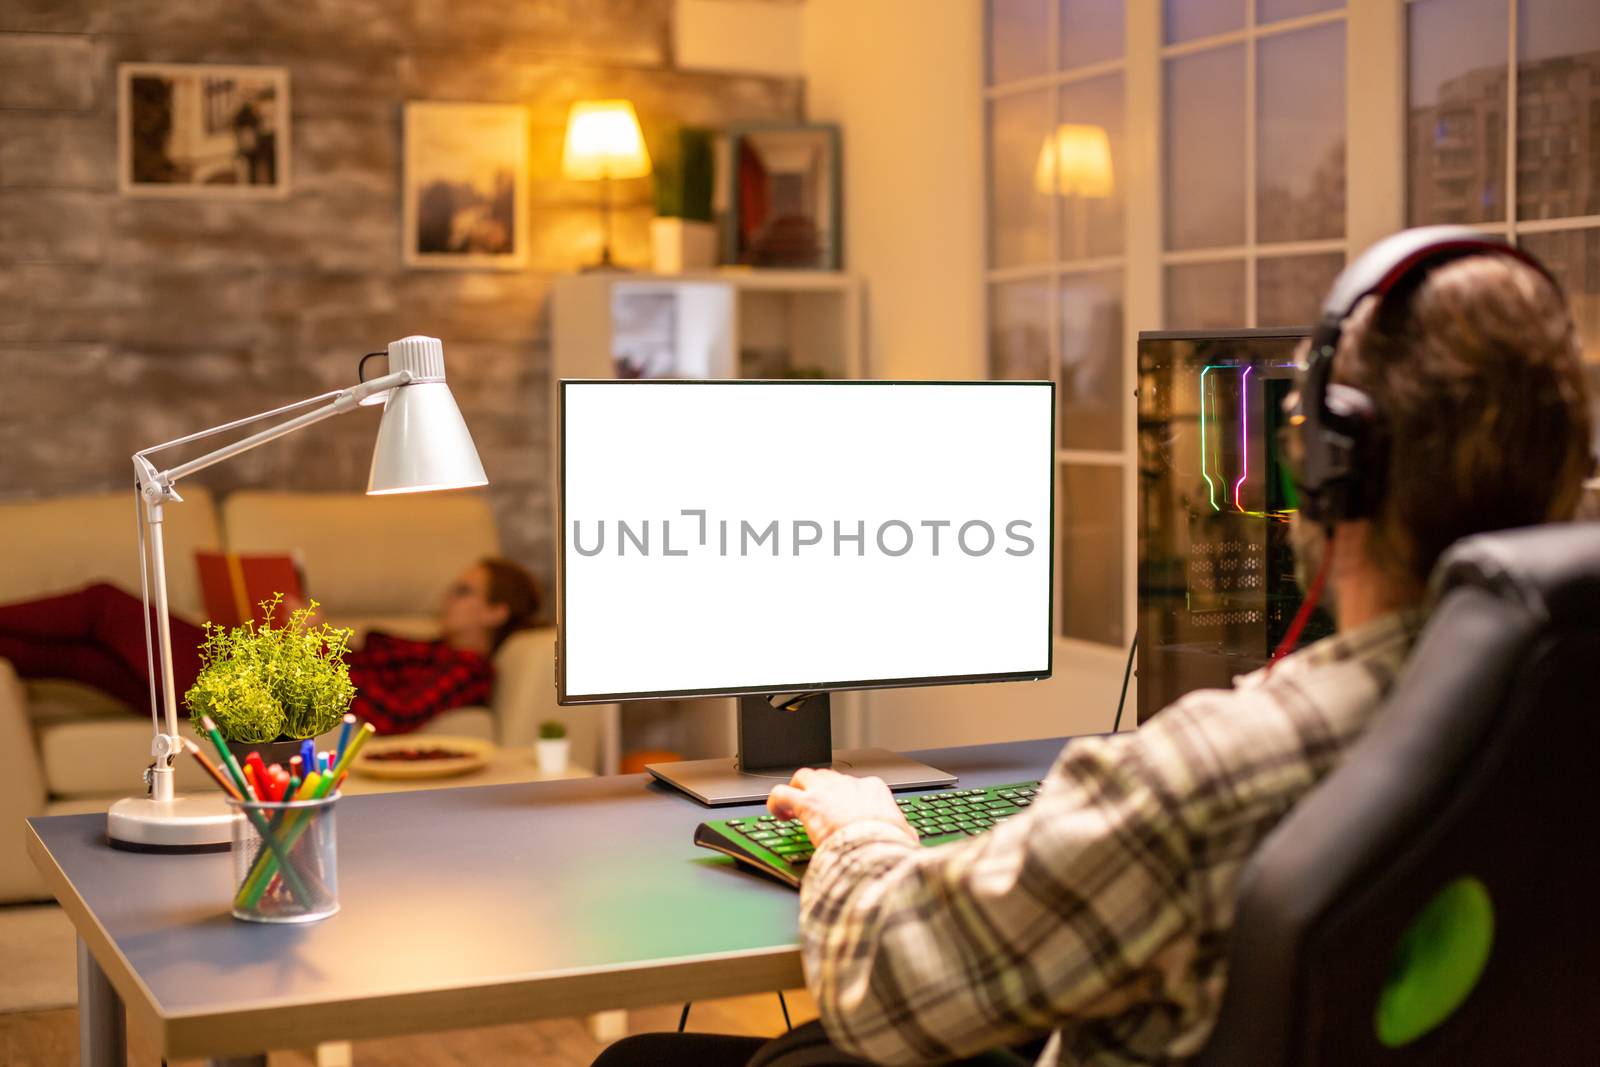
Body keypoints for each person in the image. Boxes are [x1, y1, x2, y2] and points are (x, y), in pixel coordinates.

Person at [593, 233, 1594, 1067]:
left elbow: (883, 984)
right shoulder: (1561, 726)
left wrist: (858, 829)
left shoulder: (1215, 770)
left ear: (1327, 466)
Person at [0, 557, 542, 735]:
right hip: (259, 672)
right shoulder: (430, 647)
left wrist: (317, 649)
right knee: (81, 661)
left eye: (466, 591)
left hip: (262, 691)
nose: (450, 596)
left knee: (103, 606)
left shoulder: (469, 670)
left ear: (496, 613)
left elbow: (389, 716)